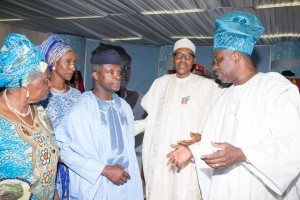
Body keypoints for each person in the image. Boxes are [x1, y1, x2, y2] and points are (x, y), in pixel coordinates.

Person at [167, 11, 300, 200]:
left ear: (236, 56)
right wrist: (192, 151)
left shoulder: (275, 89)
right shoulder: (224, 97)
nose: (214, 66)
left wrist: (242, 154)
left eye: (219, 58)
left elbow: (293, 144)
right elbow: (214, 143)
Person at [135, 38, 223, 200]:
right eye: (179, 55)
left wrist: (203, 137)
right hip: (161, 153)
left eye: (188, 56)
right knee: (160, 190)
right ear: (173, 58)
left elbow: (219, 120)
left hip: (188, 155)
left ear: (194, 61)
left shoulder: (208, 86)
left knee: (185, 192)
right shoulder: (159, 84)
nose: (183, 60)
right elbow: (150, 120)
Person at [55, 49, 143, 199]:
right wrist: (103, 170)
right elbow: (62, 151)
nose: (117, 76)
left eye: (119, 71)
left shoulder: (124, 106)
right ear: (95, 75)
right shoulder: (81, 108)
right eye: (110, 71)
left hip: (125, 186)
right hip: (96, 185)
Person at [0, 33, 58, 199]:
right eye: (46, 80)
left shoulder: (39, 112)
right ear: (26, 82)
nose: (51, 84)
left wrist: (53, 192)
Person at [38, 34, 81, 200]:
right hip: (49, 168)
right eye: (68, 62)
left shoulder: (78, 96)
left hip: (76, 168)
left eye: (74, 62)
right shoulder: (41, 96)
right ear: (54, 64)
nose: (73, 67)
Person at [92, 43, 147, 120]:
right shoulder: (86, 102)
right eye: (113, 70)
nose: (123, 73)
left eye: (127, 68)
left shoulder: (140, 101)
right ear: (97, 74)